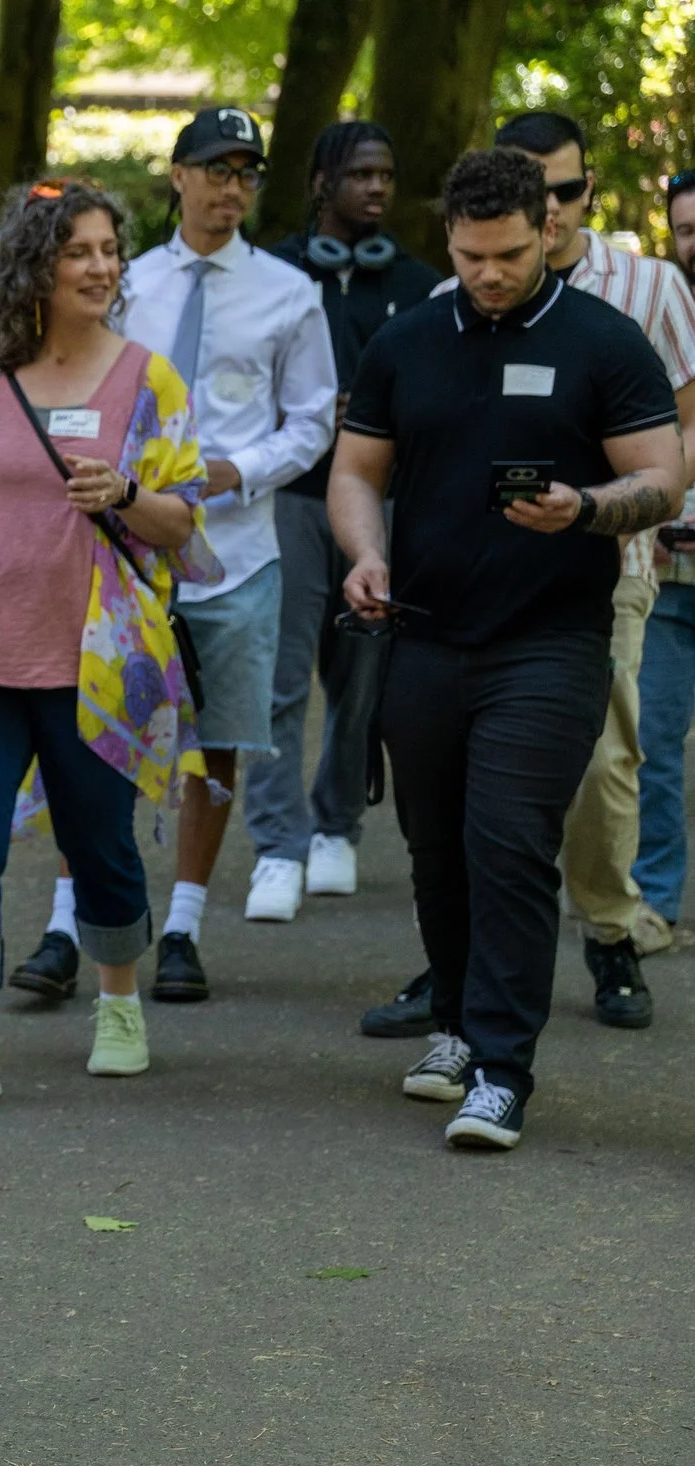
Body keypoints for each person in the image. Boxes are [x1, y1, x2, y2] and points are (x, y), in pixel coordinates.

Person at [333, 146, 683, 1151]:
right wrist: (365, 554)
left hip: (550, 639)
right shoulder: (404, 341)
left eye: (512, 254)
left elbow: (660, 475)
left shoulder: (602, 341)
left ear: (551, 233)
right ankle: (449, 1019)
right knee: (435, 852)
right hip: (425, 634)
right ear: (447, 238)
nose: (490, 273)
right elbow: (356, 471)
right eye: (473, 254)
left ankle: (499, 1069)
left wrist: (585, 508)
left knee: (510, 845)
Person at [0, 179, 211, 1108]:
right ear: (33, 264)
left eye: (111, 250)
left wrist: (122, 494)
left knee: (101, 844)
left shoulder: (149, 378)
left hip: (94, 668)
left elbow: (181, 519)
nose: (103, 267)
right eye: (80, 251)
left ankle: (118, 999)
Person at [6, 107, 333, 1004]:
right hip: (124, 548)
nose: (231, 188)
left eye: (247, 173)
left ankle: (183, 925)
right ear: (178, 177)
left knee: (216, 740)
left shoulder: (288, 293)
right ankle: (69, 925)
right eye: (215, 170)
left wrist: (242, 469)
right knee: (95, 729)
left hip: (234, 548)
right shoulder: (127, 282)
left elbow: (312, 418)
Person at [251, 122, 440, 921]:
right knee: (279, 681)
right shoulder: (273, 277)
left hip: (381, 505)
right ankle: (276, 843)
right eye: (361, 173)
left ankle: (337, 825)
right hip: (290, 501)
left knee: (363, 677)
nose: (378, 188)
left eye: (388, 175)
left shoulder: (423, 285)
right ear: (322, 181)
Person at [635, 166, 695, 942]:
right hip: (671, 570)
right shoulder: (655, 323)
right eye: (687, 230)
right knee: (651, 744)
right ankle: (653, 900)